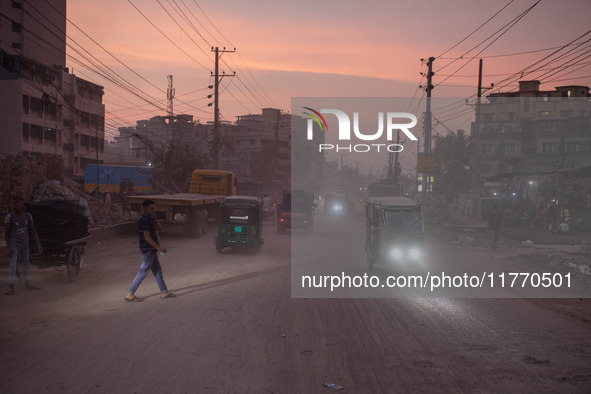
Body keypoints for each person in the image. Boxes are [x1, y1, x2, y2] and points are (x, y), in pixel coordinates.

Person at [125, 199, 175, 302]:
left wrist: (159, 228)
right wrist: (159, 247)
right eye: (151, 208)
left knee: (157, 271)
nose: (154, 210)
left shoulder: (152, 218)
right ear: (144, 209)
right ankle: (130, 293)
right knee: (143, 271)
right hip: (147, 250)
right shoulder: (145, 220)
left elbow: (156, 231)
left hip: (152, 250)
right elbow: (146, 236)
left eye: (154, 207)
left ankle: (164, 292)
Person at [4, 196, 43, 295]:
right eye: (14, 203)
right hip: (14, 245)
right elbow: (6, 234)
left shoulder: (28, 216)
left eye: (17, 203)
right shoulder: (10, 217)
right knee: (13, 266)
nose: (15, 205)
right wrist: (9, 247)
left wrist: (38, 243)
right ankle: (11, 288)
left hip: (25, 245)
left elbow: (33, 230)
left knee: (26, 265)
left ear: (22, 205)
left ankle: (28, 284)